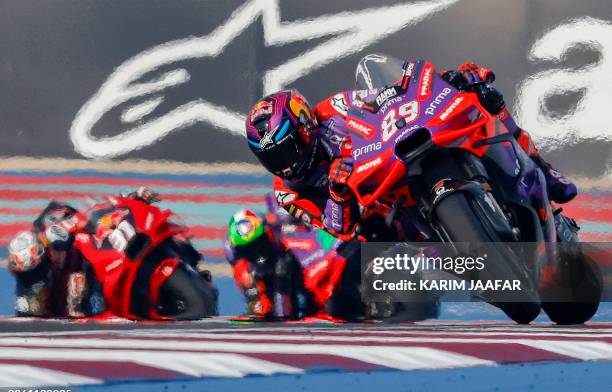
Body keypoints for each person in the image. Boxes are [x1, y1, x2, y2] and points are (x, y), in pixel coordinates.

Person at [244, 61, 577, 238]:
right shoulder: (286, 192)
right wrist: (338, 193)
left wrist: (446, 82)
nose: (284, 165)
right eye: (272, 158)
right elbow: (338, 230)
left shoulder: (333, 110)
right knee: (376, 241)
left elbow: (382, 100)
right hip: (378, 209)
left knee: (484, 99)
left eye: (285, 151)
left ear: (304, 126)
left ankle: (542, 169)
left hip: (390, 161)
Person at [7, 188, 217, 320]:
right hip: (76, 321)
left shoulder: (54, 235)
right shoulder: (30, 295)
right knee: (78, 298)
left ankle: (190, 263)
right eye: (34, 270)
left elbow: (88, 216)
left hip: (99, 259)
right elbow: (35, 322)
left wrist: (127, 199)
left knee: (171, 232)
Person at [225, 202, 364, 321]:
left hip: (319, 287)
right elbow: (263, 311)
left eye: (259, 244)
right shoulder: (244, 269)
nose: (257, 254)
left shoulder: (285, 241)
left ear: (267, 235)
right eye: (248, 250)